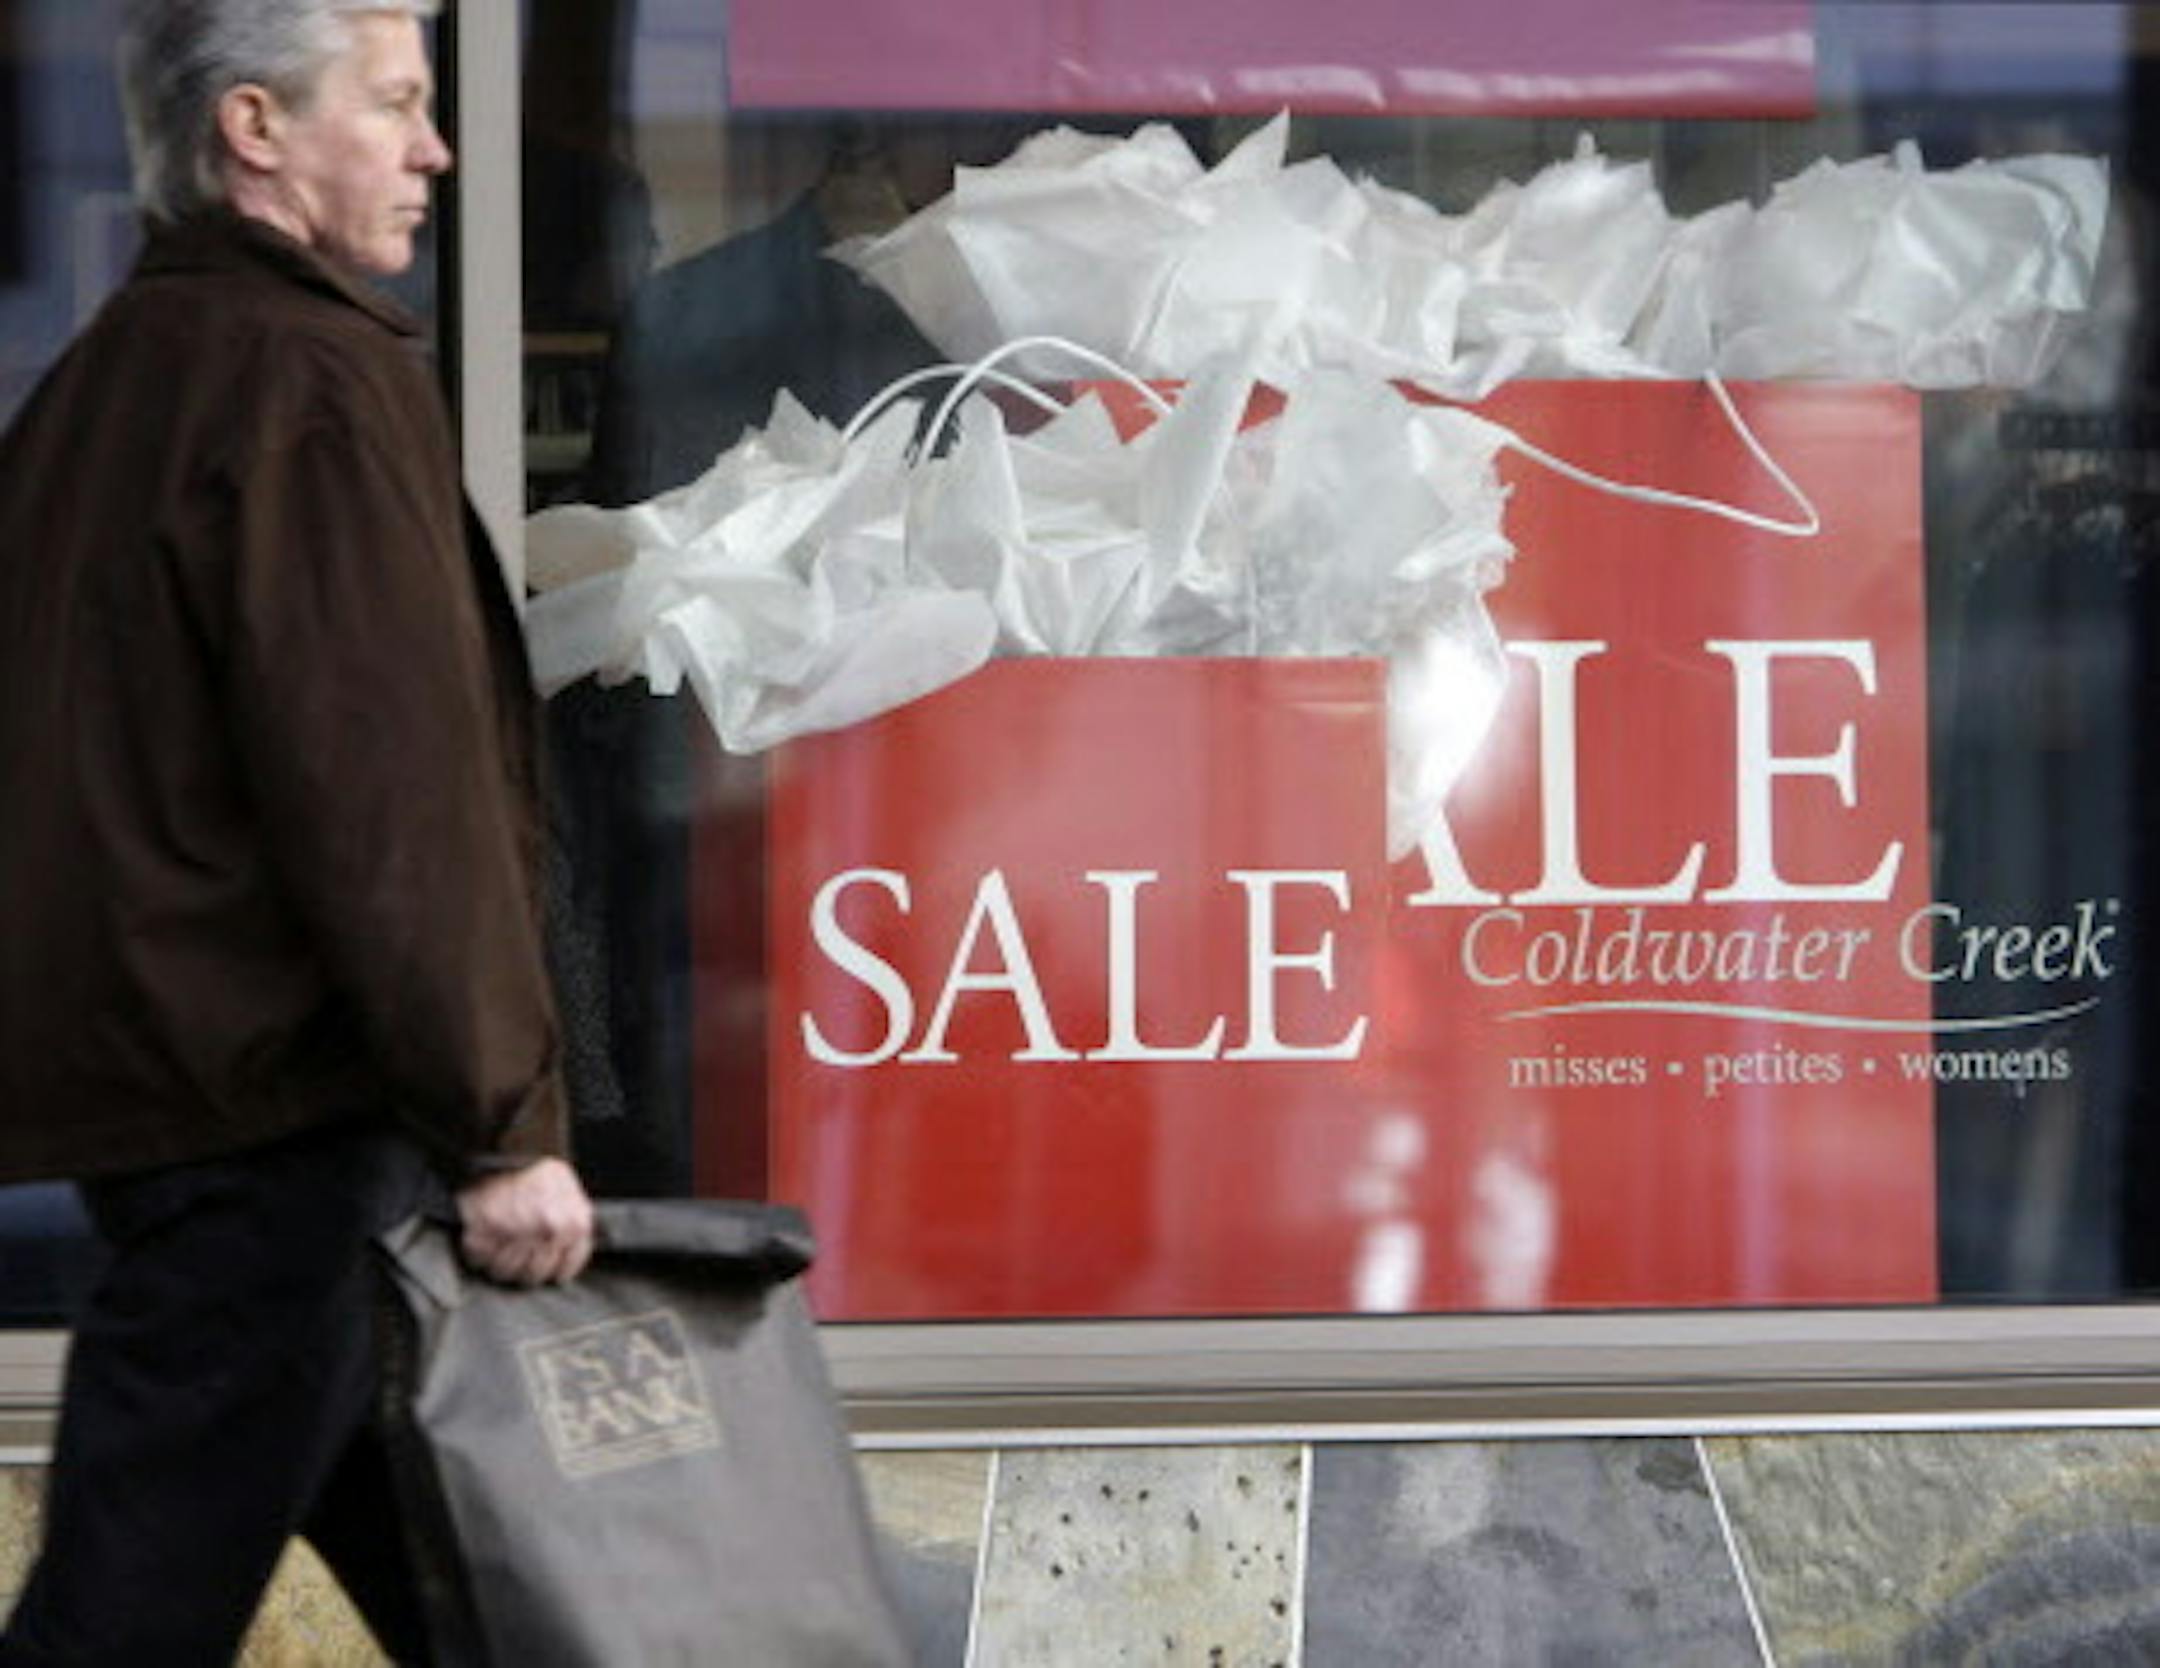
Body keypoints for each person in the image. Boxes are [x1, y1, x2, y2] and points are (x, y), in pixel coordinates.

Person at [0, 2, 594, 1661]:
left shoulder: (108, 388)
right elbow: (391, 793)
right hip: (281, 1144)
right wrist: (504, 1124)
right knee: (129, 1619)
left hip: (196, 1128)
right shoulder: (312, 387)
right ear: (254, 130)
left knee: (510, 1603)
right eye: (396, 105)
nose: (437, 151)